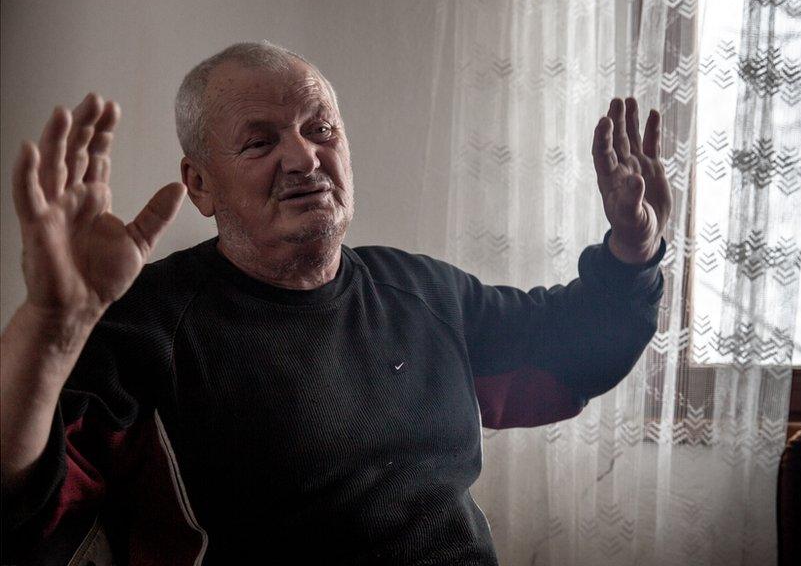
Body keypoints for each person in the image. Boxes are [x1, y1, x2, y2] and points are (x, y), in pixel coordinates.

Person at [0, 41, 673, 565]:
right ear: (199, 185)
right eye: (261, 141)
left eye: (321, 129)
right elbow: (24, 499)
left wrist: (633, 250)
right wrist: (49, 329)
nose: (303, 156)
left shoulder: (422, 293)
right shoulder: (147, 327)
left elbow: (570, 355)